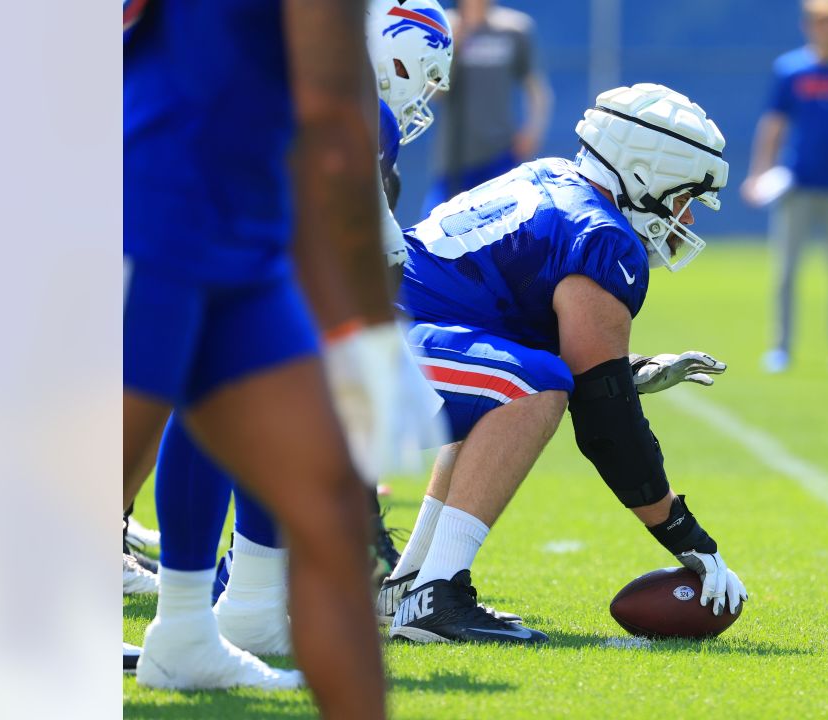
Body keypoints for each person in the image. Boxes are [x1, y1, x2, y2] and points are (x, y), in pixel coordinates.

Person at [123, 0, 433, 713]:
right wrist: (371, 347)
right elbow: (330, 120)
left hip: (243, 235)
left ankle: (184, 635)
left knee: (329, 511)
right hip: (153, 212)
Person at [378, 83, 749, 645]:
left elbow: (510, 332)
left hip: (354, 329)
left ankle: (414, 583)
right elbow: (606, 424)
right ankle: (436, 597)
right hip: (366, 351)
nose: (688, 215)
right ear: (646, 172)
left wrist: (628, 369)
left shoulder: (550, 177)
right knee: (531, 384)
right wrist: (686, 536)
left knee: (509, 378)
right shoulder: (602, 237)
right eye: (684, 195)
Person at [740, 0, 828, 375]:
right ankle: (781, 349)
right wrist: (758, 173)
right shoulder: (790, 70)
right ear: (808, 25)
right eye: (822, 21)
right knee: (786, 271)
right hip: (797, 184)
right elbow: (773, 124)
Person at [420, 0, 551, 218]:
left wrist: (533, 131)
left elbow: (536, 88)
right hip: (454, 161)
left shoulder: (514, 29)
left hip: (500, 157)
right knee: (433, 231)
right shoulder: (445, 27)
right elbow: (434, 93)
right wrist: (454, 45)